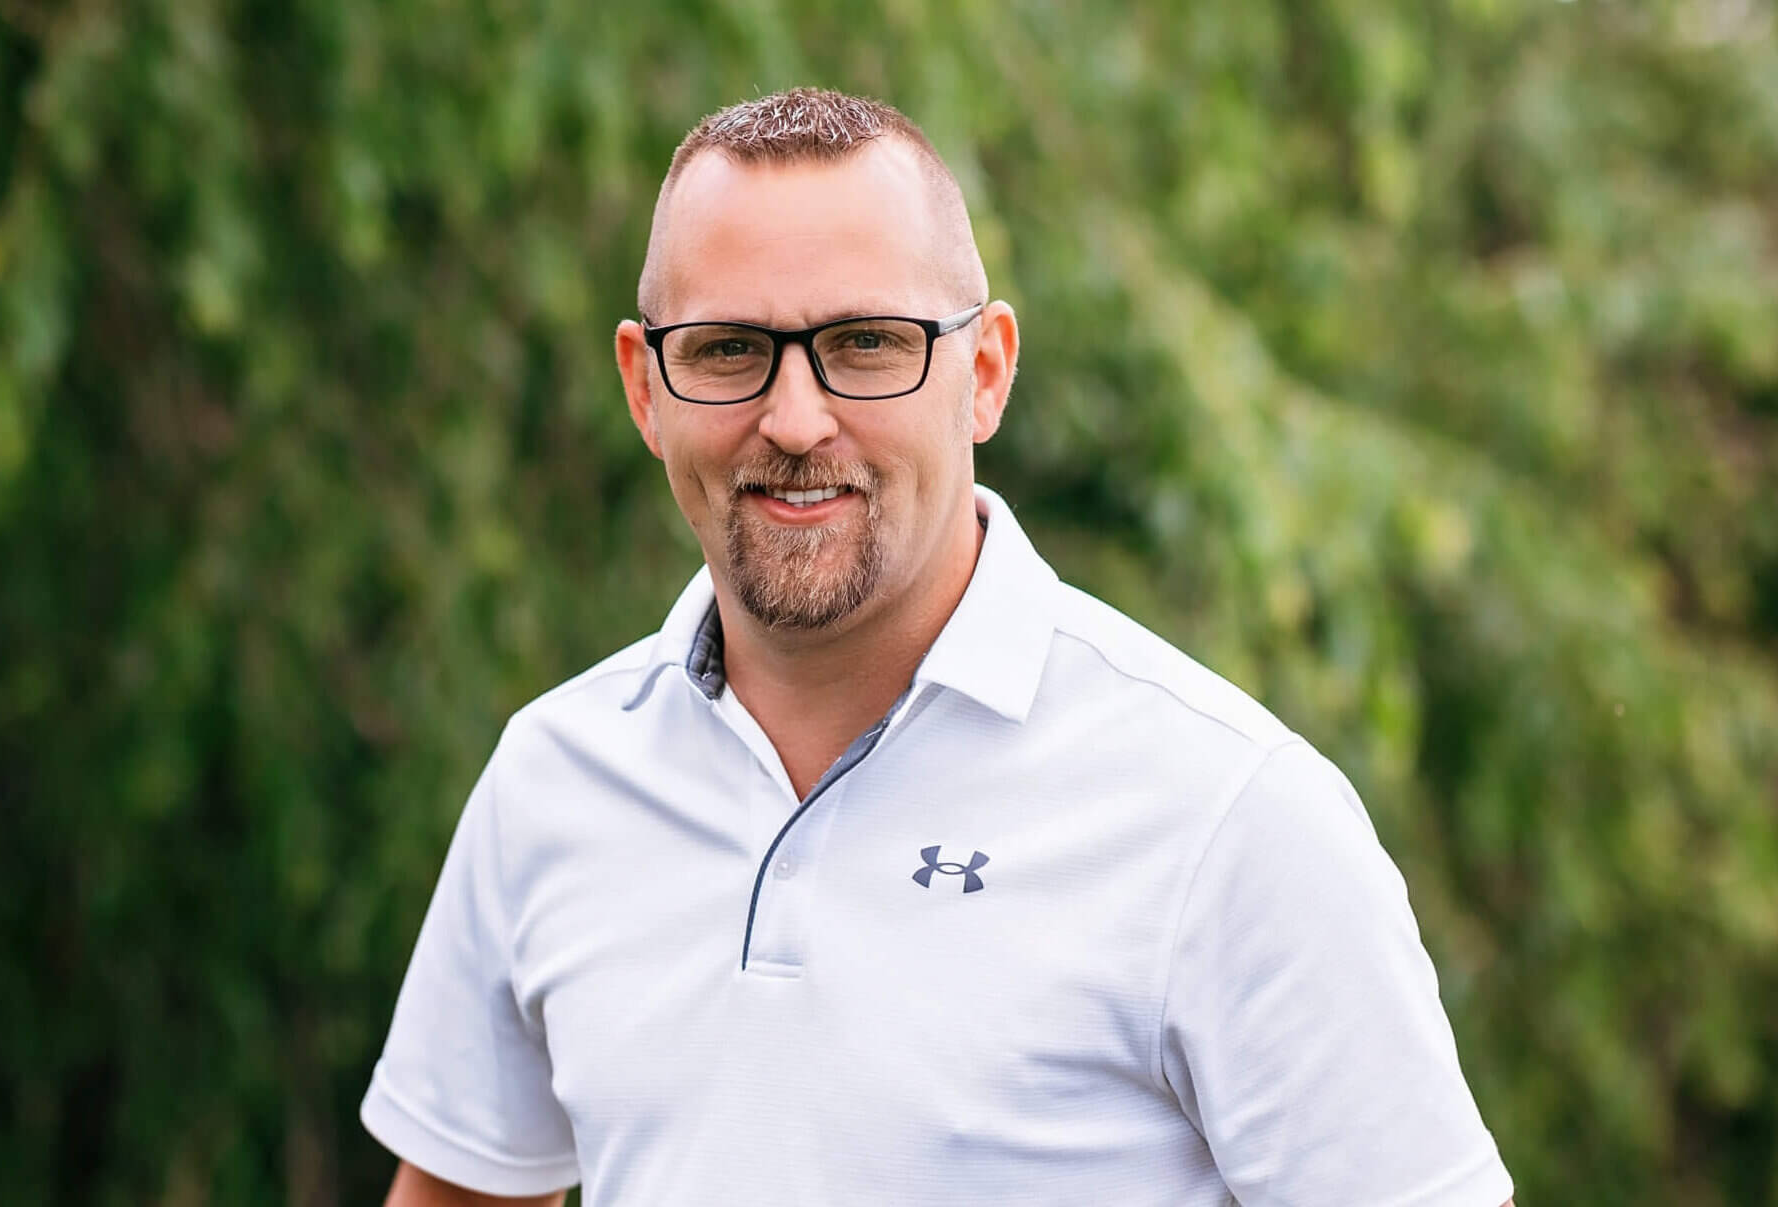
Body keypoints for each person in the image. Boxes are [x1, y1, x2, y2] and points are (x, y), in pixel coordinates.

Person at [362, 87, 1517, 1207]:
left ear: (985, 372)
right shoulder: (553, 776)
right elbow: (461, 1189)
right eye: (725, 350)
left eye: (866, 343)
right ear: (644, 386)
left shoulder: (1228, 818)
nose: (797, 419)